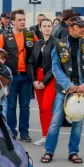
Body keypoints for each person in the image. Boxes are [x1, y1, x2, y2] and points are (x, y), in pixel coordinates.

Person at [41, 16, 84, 164]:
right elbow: (55, 68)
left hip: (82, 89)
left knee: (78, 122)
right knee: (56, 121)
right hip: (64, 90)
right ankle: (49, 151)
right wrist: (68, 85)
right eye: (80, 27)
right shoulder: (59, 44)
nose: (83, 29)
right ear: (70, 28)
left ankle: (73, 152)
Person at [0, 9, 35, 142]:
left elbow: (39, 51)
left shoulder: (30, 35)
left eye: (24, 19)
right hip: (11, 76)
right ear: (13, 22)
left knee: (25, 106)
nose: (23, 22)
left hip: (27, 76)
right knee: (11, 106)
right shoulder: (5, 36)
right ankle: (12, 131)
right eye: (20, 20)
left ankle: (24, 132)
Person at [31, 18, 57, 146]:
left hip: (50, 78)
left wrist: (44, 81)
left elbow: (55, 66)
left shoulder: (56, 43)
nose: (47, 28)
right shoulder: (37, 44)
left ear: (52, 28)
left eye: (49, 26)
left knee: (47, 107)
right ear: (40, 28)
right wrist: (34, 80)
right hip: (38, 77)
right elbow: (30, 63)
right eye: (44, 26)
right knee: (41, 109)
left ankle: (51, 135)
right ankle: (45, 135)